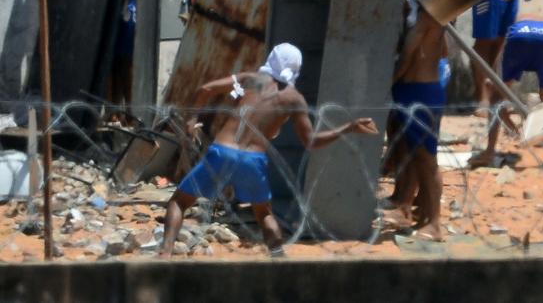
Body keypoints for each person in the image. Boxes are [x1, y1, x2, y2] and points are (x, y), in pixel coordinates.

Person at [159, 44, 378, 257]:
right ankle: (278, 258)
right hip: (253, 159)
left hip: (222, 151)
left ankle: (165, 255)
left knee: (179, 202)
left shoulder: (251, 79)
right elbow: (311, 142)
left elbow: (206, 89)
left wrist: (192, 119)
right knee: (263, 213)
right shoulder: (294, 99)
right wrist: (348, 127)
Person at [469, 18, 543, 169]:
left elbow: (494, 83)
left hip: (519, 38)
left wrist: (506, 115)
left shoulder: (514, 28)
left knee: (497, 96)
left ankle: (489, 152)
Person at [385, 13, 448, 241]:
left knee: (426, 159)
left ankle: (434, 223)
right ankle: (415, 213)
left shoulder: (427, 20)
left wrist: (386, 84)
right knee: (415, 155)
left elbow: (406, 59)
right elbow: (443, 52)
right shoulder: (432, 20)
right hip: (415, 91)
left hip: (420, 92)